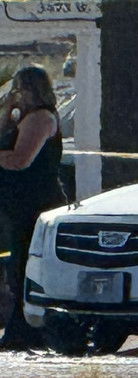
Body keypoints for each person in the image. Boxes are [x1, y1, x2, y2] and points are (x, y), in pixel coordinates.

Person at [0, 66, 66, 350]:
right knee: (14, 265)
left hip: (34, 202)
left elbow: (20, 159)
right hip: (13, 205)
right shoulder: (20, 118)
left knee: (26, 265)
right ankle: (17, 328)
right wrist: (6, 112)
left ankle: (29, 330)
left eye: (20, 89)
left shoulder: (41, 118)